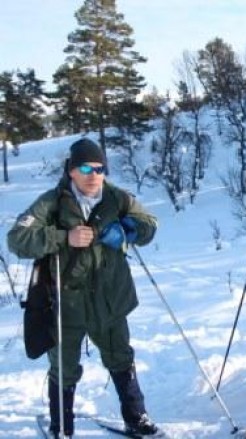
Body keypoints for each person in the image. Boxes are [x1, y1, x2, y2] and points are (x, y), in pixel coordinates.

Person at [7, 138, 160, 438]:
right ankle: (62, 426)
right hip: (66, 302)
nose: (94, 175)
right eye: (86, 167)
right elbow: (17, 238)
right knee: (64, 366)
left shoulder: (117, 198)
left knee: (120, 356)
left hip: (110, 298)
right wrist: (64, 237)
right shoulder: (52, 202)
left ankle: (136, 417)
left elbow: (149, 224)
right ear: (72, 170)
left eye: (100, 168)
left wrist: (128, 230)